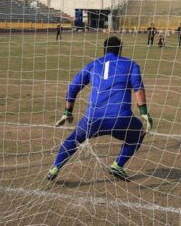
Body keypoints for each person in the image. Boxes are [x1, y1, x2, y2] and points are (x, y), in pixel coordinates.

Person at [47, 36, 153, 182]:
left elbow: (73, 87)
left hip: (92, 119)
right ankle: (118, 165)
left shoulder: (93, 64)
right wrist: (144, 113)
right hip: (120, 119)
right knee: (139, 131)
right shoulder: (131, 64)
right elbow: (138, 89)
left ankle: (55, 167)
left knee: (74, 138)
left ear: (104, 50)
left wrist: (67, 112)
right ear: (120, 50)